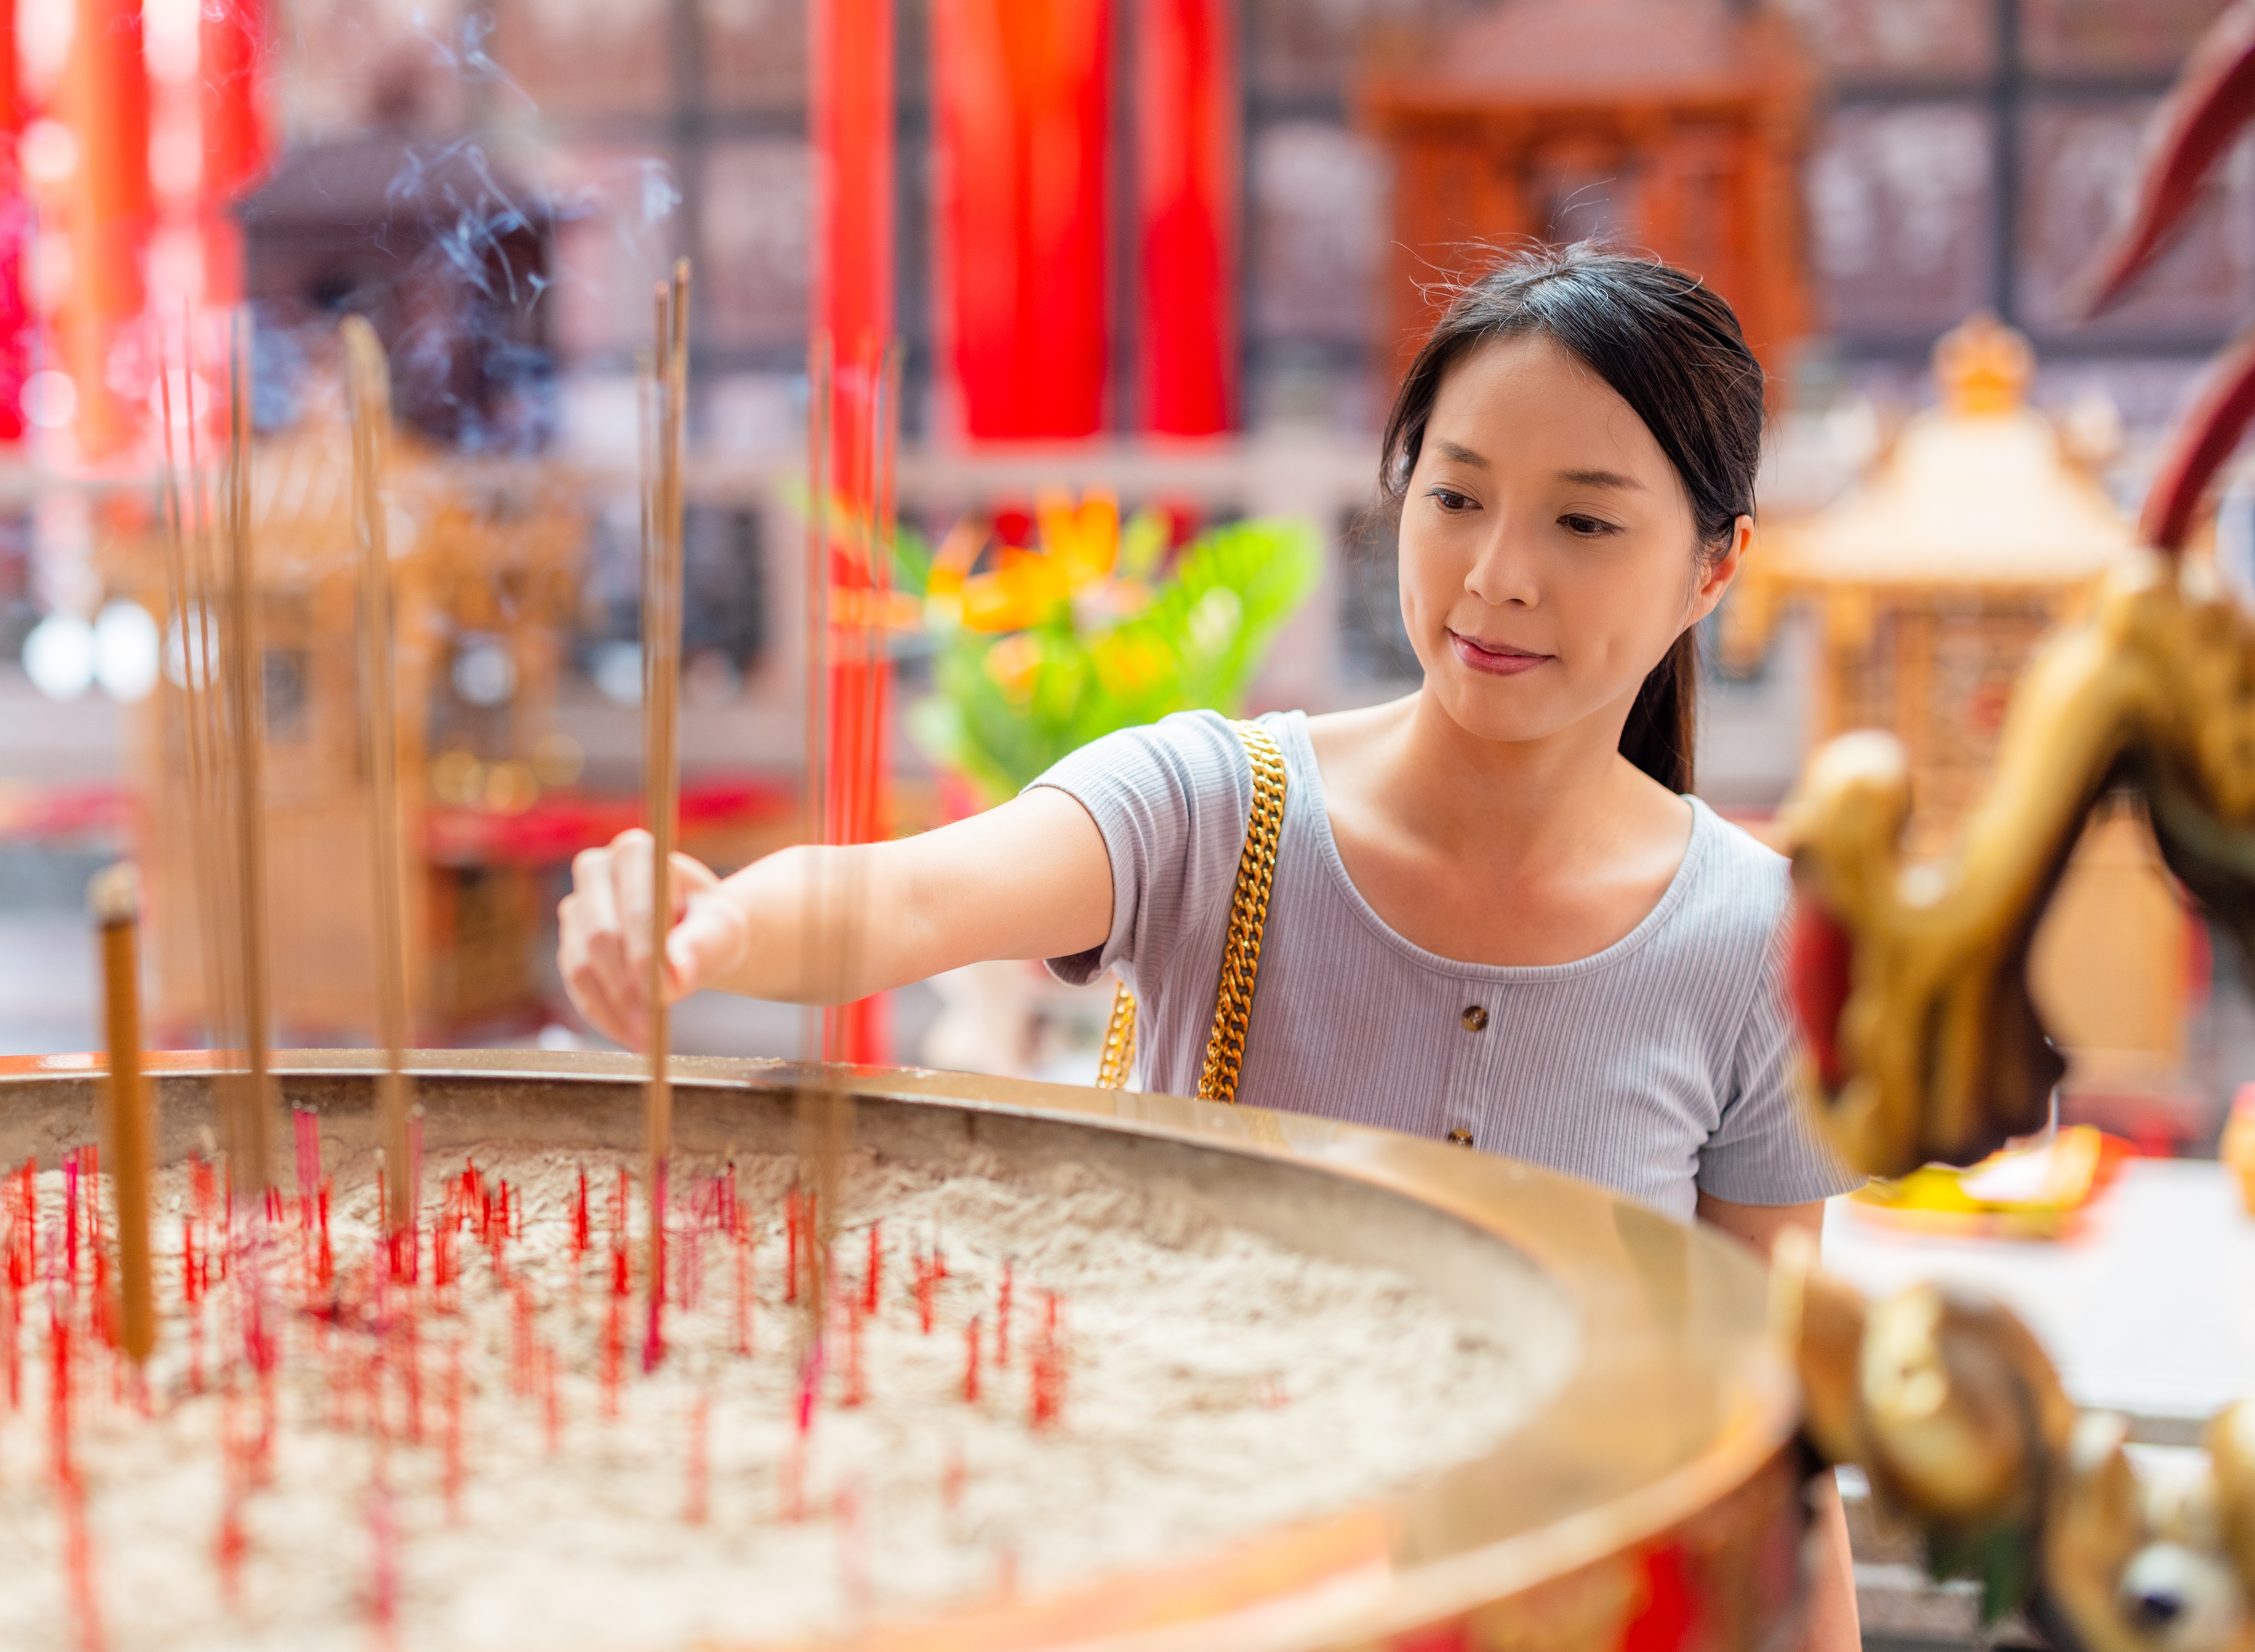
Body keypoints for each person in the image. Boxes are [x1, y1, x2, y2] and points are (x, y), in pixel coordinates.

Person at [557, 245, 1862, 1649]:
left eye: (1585, 525)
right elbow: (915, 898)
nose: (1496, 575)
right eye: (1456, 496)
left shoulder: (1759, 941)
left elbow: (1770, 1418)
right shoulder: (1213, 807)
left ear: (1716, 568)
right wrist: (714, 919)